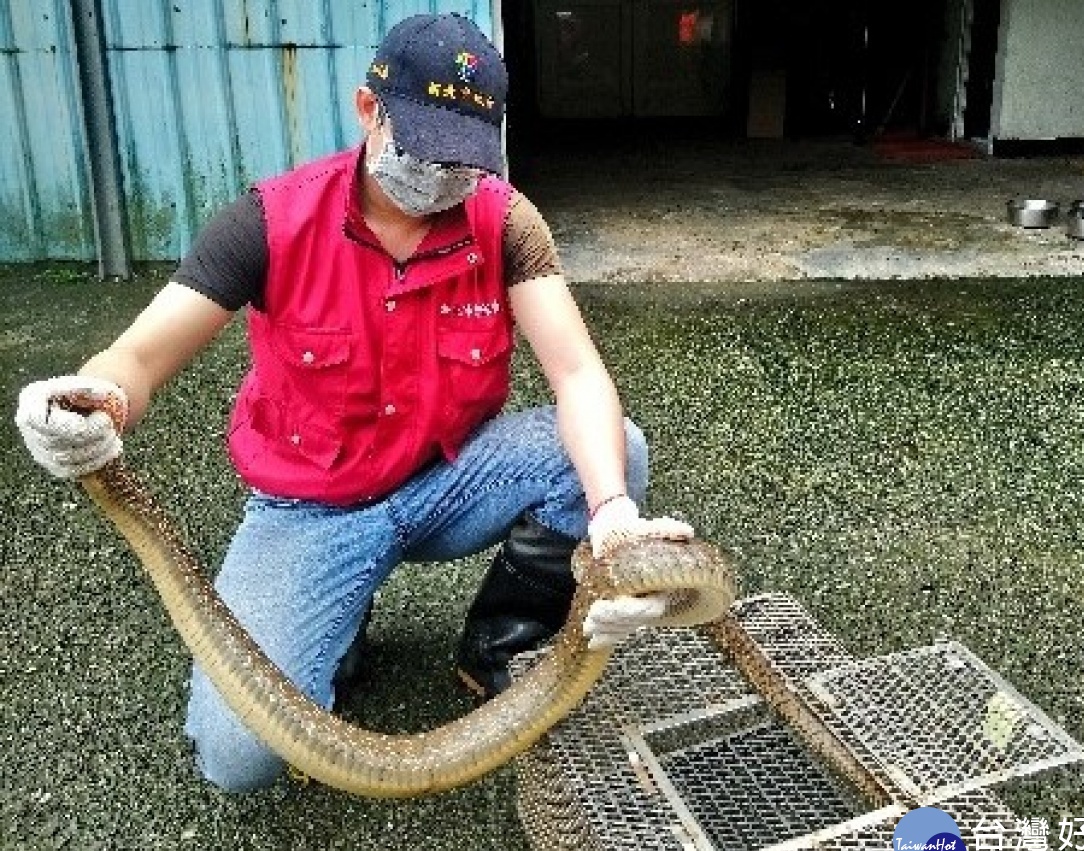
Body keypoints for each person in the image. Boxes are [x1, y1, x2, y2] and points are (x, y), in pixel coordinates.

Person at [14, 13, 692, 792]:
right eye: (422, 147)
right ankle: (336, 619)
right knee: (242, 756)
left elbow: (577, 376)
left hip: (446, 479)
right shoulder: (267, 222)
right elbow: (136, 356)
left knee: (616, 450)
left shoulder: (504, 221)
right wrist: (92, 401)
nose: (440, 174)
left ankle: (504, 644)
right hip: (311, 511)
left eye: (462, 157)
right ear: (369, 110)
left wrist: (610, 508)